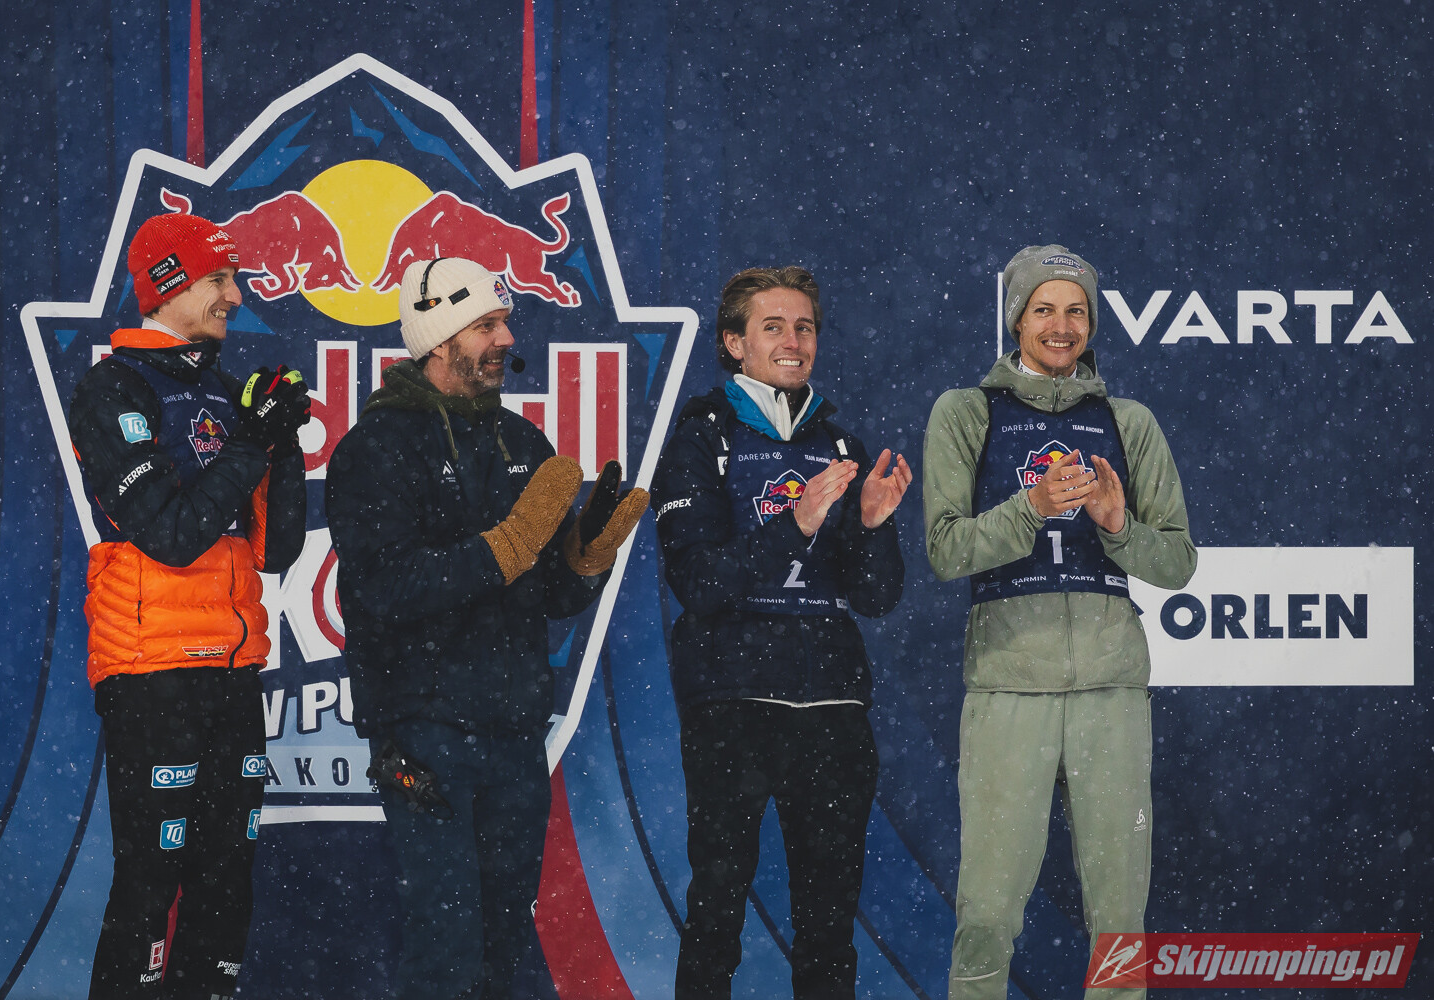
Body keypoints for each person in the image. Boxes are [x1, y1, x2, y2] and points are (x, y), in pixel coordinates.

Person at [324, 257, 647, 1000]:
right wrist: (505, 547)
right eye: (486, 325)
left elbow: (549, 595)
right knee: (446, 947)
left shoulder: (523, 442)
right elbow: (384, 589)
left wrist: (586, 558)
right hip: (422, 728)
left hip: (513, 728)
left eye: (504, 322)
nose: (506, 338)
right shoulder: (376, 447)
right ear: (438, 340)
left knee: (504, 945)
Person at [922, 245, 1197, 1000]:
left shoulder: (1128, 422)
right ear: (1016, 319)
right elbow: (946, 549)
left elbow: (1177, 562)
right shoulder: (967, 412)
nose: (1061, 325)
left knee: (1120, 917)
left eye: (1077, 310)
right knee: (987, 911)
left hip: (1111, 689)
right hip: (1009, 687)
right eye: (1043, 308)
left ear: (1093, 323)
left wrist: (1117, 526)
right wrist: (1031, 508)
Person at [651, 266, 912, 1000]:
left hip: (832, 707)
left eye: (804, 327)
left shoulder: (841, 441)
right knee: (716, 912)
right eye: (773, 327)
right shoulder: (700, 438)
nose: (793, 342)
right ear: (734, 343)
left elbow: (877, 596)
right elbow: (700, 585)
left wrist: (872, 526)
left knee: (829, 926)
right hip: (732, 705)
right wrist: (793, 525)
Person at [68, 211, 309, 999]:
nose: (235, 297)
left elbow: (278, 550)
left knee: (226, 884)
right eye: (218, 280)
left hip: (234, 669)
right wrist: (248, 444)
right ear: (168, 284)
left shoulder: (224, 392)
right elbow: (171, 535)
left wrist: (283, 444)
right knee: (150, 886)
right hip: (152, 671)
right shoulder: (113, 388)